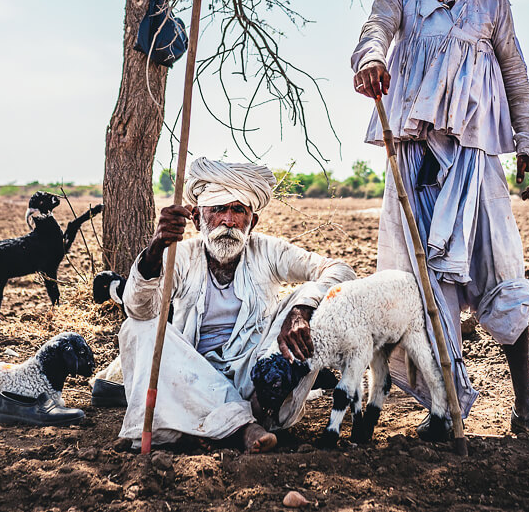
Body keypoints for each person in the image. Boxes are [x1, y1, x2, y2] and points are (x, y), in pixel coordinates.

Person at [351, 0, 529, 438]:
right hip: (415, 159)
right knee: (425, 281)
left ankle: (526, 407)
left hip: (476, 155)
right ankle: (445, 409)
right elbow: (374, 34)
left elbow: (516, 75)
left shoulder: (492, 3)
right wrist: (372, 60)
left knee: (502, 270)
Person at [114, 156, 356, 452]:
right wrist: (155, 248)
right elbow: (138, 309)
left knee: (318, 301)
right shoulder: (181, 255)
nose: (228, 221)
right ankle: (240, 427)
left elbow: (341, 271)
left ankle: (207, 426)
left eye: (238, 211)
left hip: (259, 389)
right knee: (137, 329)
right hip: (193, 382)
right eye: (218, 210)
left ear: (252, 221)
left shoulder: (268, 251)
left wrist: (301, 310)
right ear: (196, 218)